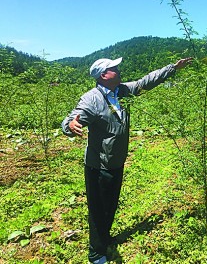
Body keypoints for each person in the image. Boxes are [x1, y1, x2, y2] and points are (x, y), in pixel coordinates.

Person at [61, 56, 192, 264]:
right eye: (114, 67)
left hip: (117, 161)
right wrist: (69, 126)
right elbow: (73, 118)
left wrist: (172, 68)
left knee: (110, 205)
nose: (119, 69)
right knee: (98, 210)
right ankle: (96, 254)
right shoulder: (91, 99)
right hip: (99, 165)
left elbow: (145, 82)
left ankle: (104, 239)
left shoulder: (122, 91)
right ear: (104, 75)